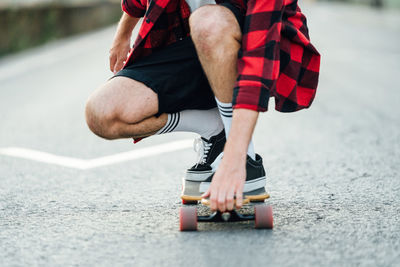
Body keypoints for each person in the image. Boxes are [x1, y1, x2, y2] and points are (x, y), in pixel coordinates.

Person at [85, 0, 320, 212]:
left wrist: (235, 159)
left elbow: (260, 56)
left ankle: (245, 159)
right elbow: (137, 2)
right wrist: (122, 34)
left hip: (260, 45)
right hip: (195, 45)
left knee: (207, 21)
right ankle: (215, 132)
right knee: (102, 113)